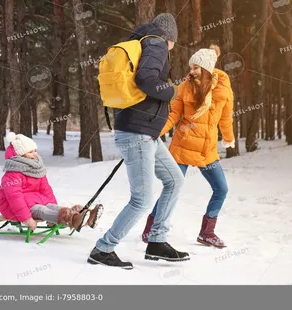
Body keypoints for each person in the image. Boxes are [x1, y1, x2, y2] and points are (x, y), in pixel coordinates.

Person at [87, 13, 190, 270]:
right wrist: (172, 91)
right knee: (141, 200)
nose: (173, 48)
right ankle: (103, 248)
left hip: (144, 133)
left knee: (175, 179)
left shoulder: (140, 44)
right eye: (174, 43)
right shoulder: (156, 44)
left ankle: (157, 242)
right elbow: (147, 81)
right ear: (170, 37)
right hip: (138, 134)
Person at [141, 45, 235, 249]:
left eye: (195, 68)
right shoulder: (184, 87)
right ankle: (151, 228)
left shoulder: (223, 90)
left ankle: (207, 232)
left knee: (221, 189)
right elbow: (173, 114)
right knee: (172, 187)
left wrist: (229, 137)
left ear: (207, 68)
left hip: (206, 150)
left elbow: (226, 117)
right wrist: (157, 131)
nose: (191, 71)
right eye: (191, 67)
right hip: (183, 148)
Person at [0, 132, 103, 231]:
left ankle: (86, 216)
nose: (35, 154)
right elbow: (14, 198)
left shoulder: (37, 169)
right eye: (30, 152)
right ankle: (74, 219)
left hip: (37, 201)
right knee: (42, 210)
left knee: (53, 207)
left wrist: (53, 207)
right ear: (20, 155)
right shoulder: (12, 174)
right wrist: (26, 219)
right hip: (14, 208)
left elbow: (46, 190)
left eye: (35, 150)